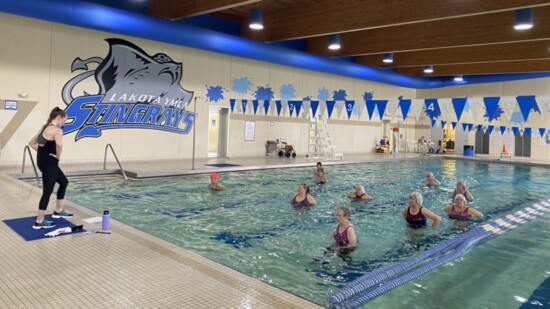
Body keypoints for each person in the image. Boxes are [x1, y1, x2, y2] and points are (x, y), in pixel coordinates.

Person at [28, 107, 72, 229]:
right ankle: (39, 221)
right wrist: (58, 156)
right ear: (58, 118)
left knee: (64, 182)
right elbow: (59, 144)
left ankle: (58, 210)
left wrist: (42, 152)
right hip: (49, 164)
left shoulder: (44, 127)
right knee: (47, 192)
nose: (64, 123)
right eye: (64, 120)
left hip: (43, 162)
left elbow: (31, 143)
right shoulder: (57, 130)